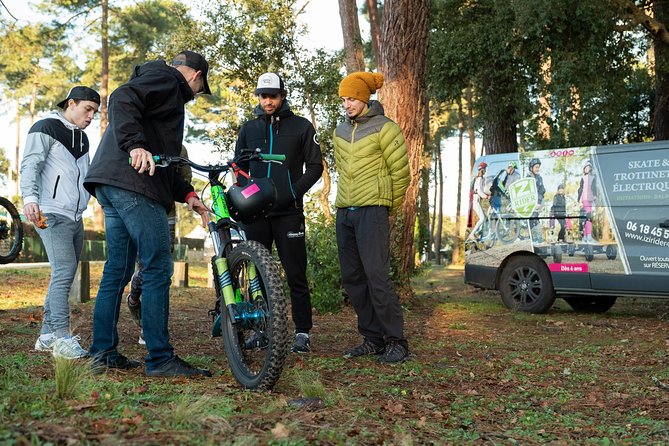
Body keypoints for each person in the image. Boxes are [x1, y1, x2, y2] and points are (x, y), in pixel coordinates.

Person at [84, 50, 212, 377]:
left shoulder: (159, 89)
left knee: (118, 269)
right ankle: (160, 358)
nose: (196, 95)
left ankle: (103, 352)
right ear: (196, 76)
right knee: (157, 267)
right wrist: (135, 145)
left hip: (111, 183)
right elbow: (121, 96)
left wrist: (188, 196)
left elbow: (165, 162)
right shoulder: (167, 78)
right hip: (133, 184)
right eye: (200, 88)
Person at [234, 72, 323, 353]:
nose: (268, 100)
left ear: (282, 96)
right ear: (258, 97)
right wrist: (246, 196)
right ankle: (261, 329)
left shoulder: (302, 127)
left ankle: (302, 333)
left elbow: (316, 166)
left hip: (289, 213)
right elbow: (239, 168)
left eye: (272, 95)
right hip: (257, 214)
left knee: (295, 272)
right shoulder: (249, 129)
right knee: (257, 274)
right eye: (263, 95)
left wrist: (292, 193)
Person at [333, 71, 410, 364]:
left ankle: (396, 341)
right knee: (353, 278)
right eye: (343, 99)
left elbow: (401, 174)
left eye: (351, 98)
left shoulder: (386, 128)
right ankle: (372, 338)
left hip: (372, 211)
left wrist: (386, 207)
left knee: (377, 277)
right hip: (345, 211)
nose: (347, 104)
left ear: (364, 98)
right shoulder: (340, 131)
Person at [20, 86, 100, 359]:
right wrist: (30, 197)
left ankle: (46, 335)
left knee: (62, 273)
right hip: (50, 212)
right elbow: (31, 164)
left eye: (95, 112)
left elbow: (84, 176)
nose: (91, 116)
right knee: (65, 272)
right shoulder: (45, 127)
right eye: (87, 109)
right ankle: (63, 338)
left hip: (75, 215)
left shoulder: (83, 140)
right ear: (71, 103)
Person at [126, 145, 193, 345]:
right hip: (140, 210)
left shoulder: (179, 148)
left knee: (162, 269)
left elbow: (185, 178)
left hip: (167, 213)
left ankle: (149, 329)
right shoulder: (136, 141)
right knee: (145, 267)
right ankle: (135, 299)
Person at [578, 159, 597, 243]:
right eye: (585, 168)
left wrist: (595, 195)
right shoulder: (582, 178)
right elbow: (580, 189)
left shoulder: (593, 177)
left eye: (588, 167)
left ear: (591, 169)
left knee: (587, 218)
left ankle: (585, 237)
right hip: (585, 198)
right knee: (589, 217)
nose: (587, 169)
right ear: (584, 169)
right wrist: (578, 200)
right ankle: (588, 237)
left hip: (590, 198)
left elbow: (594, 187)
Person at [468, 162, 489, 240]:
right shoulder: (479, 178)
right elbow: (479, 191)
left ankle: (479, 234)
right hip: (475, 201)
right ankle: (471, 234)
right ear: (483, 169)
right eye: (485, 168)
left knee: (483, 217)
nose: (486, 170)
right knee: (482, 218)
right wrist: (487, 196)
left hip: (475, 201)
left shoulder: (479, 178)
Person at [528, 158, 545, 243]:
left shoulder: (539, 178)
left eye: (538, 167)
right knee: (530, 219)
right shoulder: (527, 177)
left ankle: (539, 238)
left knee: (535, 217)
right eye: (536, 167)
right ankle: (533, 238)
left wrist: (538, 202)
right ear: (531, 168)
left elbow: (541, 191)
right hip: (530, 202)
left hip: (538, 201)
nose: (538, 169)